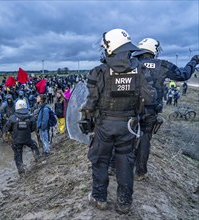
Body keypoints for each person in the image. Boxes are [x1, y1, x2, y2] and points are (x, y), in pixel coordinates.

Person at [80, 28, 152, 214]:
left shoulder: (99, 71)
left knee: (100, 161)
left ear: (110, 47)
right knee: (125, 162)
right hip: (129, 125)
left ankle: (99, 198)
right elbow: (149, 98)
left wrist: (86, 120)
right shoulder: (140, 70)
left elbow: (91, 102)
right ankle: (124, 203)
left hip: (104, 125)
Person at [132, 38, 198, 181]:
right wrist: (193, 61)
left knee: (124, 137)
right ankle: (140, 172)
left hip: (128, 109)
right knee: (144, 139)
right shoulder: (162, 65)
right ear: (154, 50)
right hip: (150, 110)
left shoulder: (131, 63)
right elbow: (183, 75)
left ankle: (114, 167)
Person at [4, 100, 40, 175]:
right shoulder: (30, 117)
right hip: (27, 138)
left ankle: (21, 169)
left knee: (17, 154)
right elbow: (33, 128)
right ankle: (38, 160)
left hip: (16, 139)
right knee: (34, 146)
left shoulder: (12, 118)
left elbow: (7, 128)